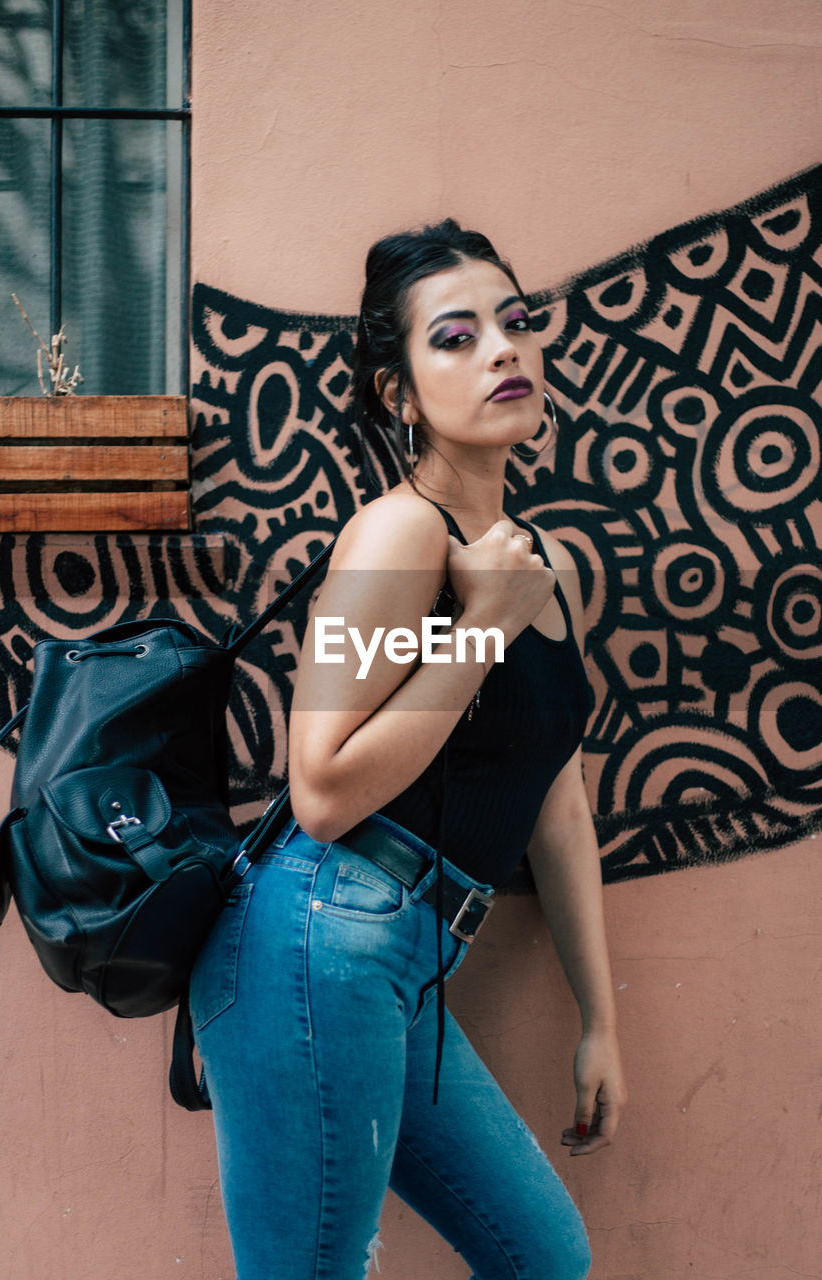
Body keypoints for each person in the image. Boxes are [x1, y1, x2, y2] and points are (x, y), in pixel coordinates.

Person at [189, 220, 627, 1280]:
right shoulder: (396, 532)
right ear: (397, 393)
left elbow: (555, 803)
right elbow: (322, 785)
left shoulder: (542, 566)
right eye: (457, 336)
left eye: (515, 322)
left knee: (542, 1254)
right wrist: (482, 626)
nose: (501, 350)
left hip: (405, 961)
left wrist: (599, 1018)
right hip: (313, 939)